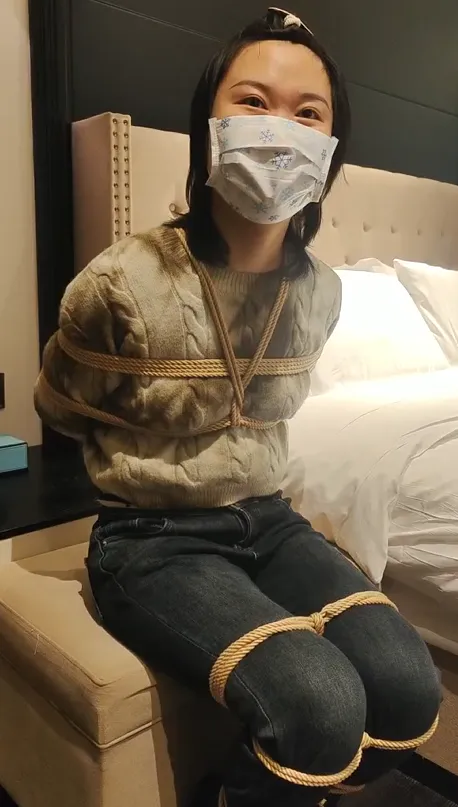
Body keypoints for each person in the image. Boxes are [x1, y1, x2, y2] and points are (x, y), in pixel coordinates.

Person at [35, 7, 441, 807]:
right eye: (253, 101)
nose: (279, 128)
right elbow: (61, 409)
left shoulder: (321, 293)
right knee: (321, 703)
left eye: (308, 113)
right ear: (208, 124)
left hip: (270, 518)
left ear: (331, 149)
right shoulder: (120, 282)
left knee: (408, 687)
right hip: (151, 537)